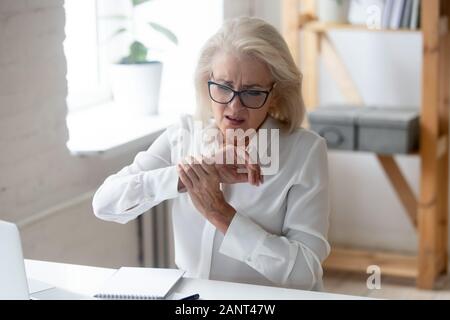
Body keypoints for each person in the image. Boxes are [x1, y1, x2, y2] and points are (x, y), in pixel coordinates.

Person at [93, 17, 330, 291]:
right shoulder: (183, 135)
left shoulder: (304, 151)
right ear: (207, 82)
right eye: (223, 87)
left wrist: (221, 214)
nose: (234, 106)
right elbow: (105, 204)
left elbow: (305, 272)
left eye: (252, 92)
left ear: (275, 94)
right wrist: (190, 175)